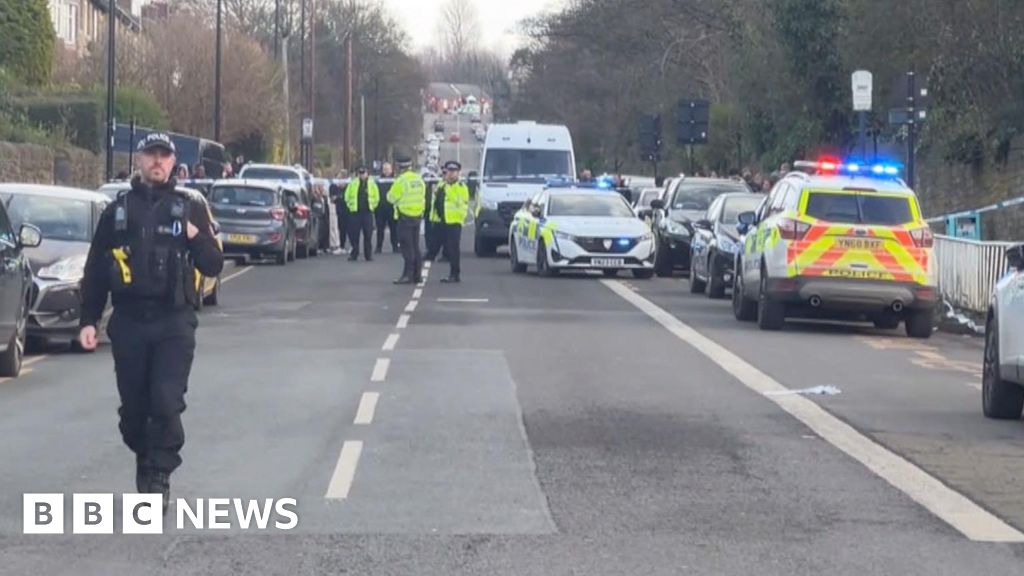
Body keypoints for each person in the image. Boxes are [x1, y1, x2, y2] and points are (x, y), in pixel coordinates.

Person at [78, 133, 224, 513]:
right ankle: (145, 454)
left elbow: (213, 264)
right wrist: (88, 319)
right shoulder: (118, 211)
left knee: (165, 400)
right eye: (151, 155)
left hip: (173, 322)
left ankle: (159, 475)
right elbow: (95, 268)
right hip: (128, 322)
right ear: (139, 161)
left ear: (174, 163)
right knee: (133, 410)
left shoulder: (189, 207)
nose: (157, 162)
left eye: (164, 156)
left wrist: (195, 238)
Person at [386, 155, 426, 284]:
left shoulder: (401, 181)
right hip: (417, 216)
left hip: (404, 217)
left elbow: (391, 198)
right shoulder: (418, 179)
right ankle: (417, 275)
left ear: (399, 167)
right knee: (415, 246)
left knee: (406, 247)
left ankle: (407, 275)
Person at [429, 160, 470, 283]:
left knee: (453, 249)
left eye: (454, 172)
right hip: (441, 220)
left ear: (458, 173)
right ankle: (418, 273)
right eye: (449, 172)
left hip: (454, 221)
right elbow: (436, 201)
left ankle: (455, 274)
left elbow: (458, 201)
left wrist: (447, 188)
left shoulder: (461, 187)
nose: (451, 174)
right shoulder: (442, 185)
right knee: (433, 247)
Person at [344, 166, 378, 261]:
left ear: (367, 174)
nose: (362, 175)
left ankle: (368, 255)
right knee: (354, 235)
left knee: (368, 235)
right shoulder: (353, 183)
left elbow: (376, 197)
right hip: (355, 212)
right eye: (360, 173)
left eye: (363, 173)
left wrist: (373, 206)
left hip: (367, 212)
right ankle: (354, 253)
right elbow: (347, 196)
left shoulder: (372, 184)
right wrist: (350, 206)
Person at [375, 162, 398, 253]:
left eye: (388, 169)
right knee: (380, 229)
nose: (386, 171)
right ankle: (378, 247)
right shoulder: (378, 180)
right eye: (384, 169)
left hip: (392, 208)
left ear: (391, 169)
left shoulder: (396, 180)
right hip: (380, 208)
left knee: (394, 229)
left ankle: (395, 246)